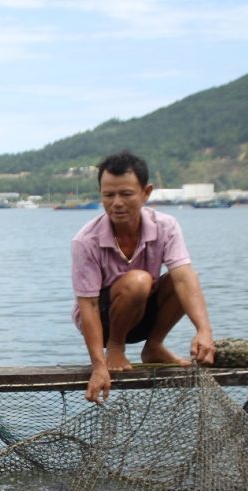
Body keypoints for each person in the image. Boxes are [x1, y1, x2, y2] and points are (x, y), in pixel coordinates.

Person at [71, 150, 215, 404]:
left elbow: (183, 278)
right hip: (102, 325)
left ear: (146, 193)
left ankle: (154, 345)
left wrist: (204, 331)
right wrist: (100, 364)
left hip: (143, 314)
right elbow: (89, 305)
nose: (116, 202)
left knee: (181, 279)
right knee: (139, 281)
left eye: (126, 194)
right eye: (108, 195)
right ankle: (116, 348)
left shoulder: (166, 226)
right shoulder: (86, 240)